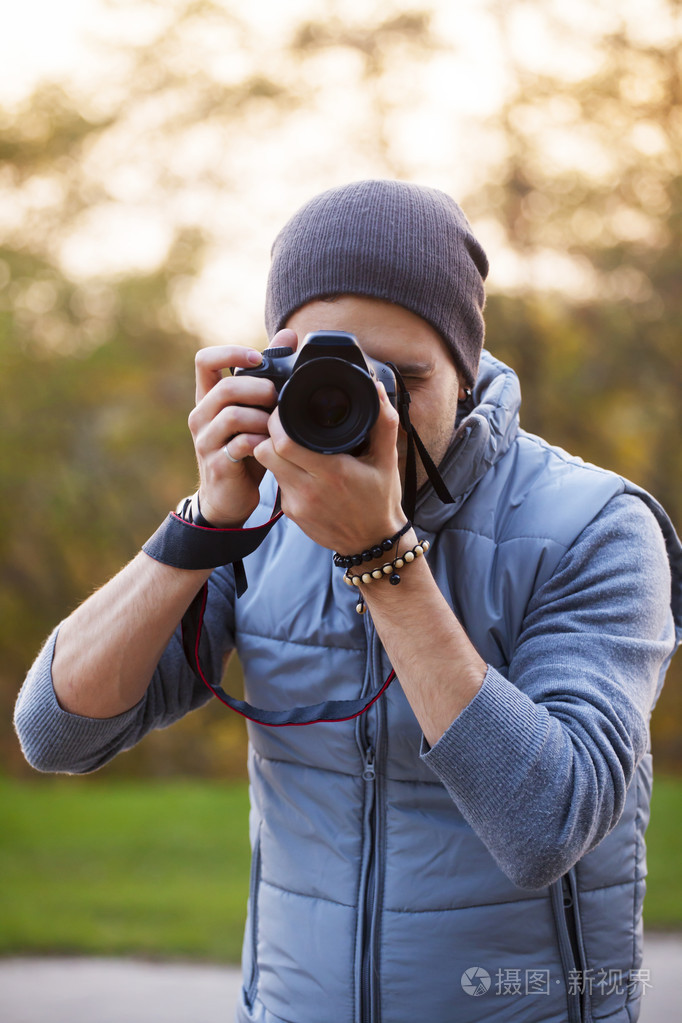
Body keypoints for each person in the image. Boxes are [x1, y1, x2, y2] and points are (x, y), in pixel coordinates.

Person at [14, 179, 682, 1023]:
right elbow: (56, 732)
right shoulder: (256, 515)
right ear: (270, 368)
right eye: (333, 376)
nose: (371, 410)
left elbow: (548, 822)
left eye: (402, 377)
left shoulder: (599, 527)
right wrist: (205, 520)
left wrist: (383, 558)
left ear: (467, 373)